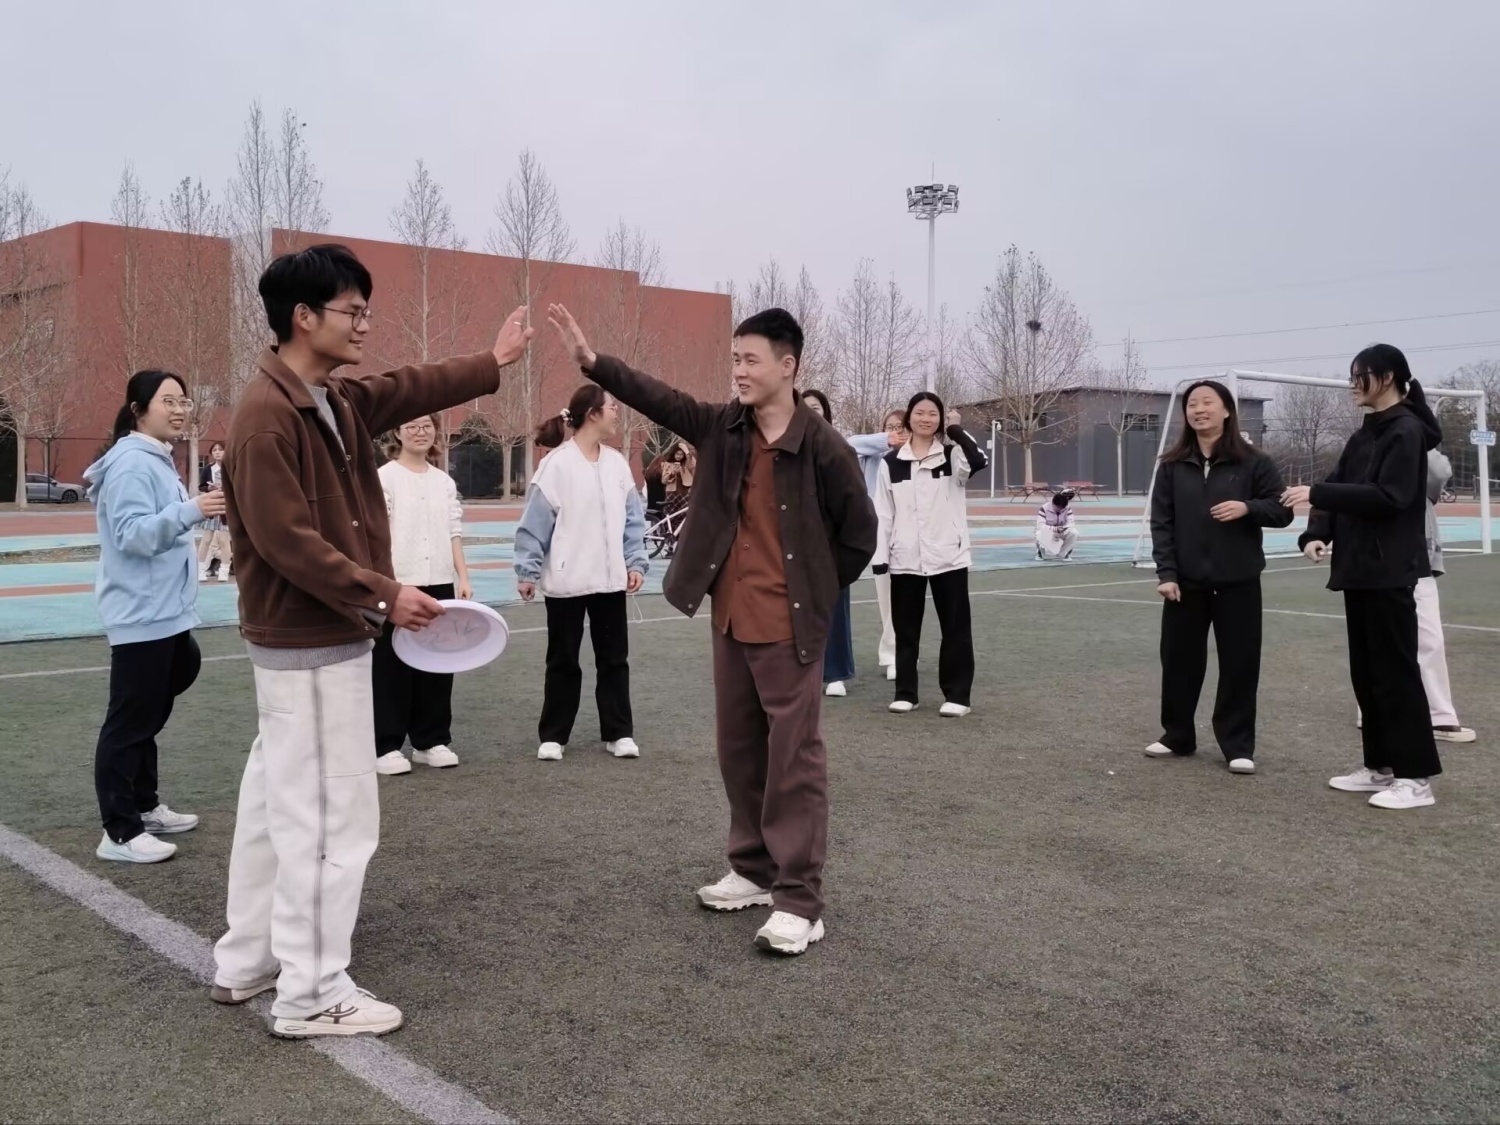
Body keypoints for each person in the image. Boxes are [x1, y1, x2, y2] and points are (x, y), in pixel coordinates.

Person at [211, 243, 532, 1037]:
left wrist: (491, 362)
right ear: (303, 317)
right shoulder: (266, 417)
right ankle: (313, 989)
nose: (363, 324)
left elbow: (408, 386)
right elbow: (287, 542)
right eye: (352, 311)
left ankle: (250, 957)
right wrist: (386, 595)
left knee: (275, 804)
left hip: (309, 643)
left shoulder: (332, 398)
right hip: (310, 644)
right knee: (331, 818)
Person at [547, 302, 876, 956]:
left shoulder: (823, 446)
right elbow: (660, 398)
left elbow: (859, 535)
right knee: (739, 749)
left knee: (794, 760)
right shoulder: (723, 426)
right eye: (735, 359)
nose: (739, 371)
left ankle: (800, 900)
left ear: (789, 365)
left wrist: (810, 590)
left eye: (751, 359)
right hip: (731, 617)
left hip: (789, 626)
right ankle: (752, 868)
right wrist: (594, 363)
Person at [1287, 344, 1444, 810]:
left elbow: (1390, 496)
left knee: (1396, 674)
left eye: (1361, 376)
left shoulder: (1406, 431)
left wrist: (1317, 493)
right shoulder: (1365, 434)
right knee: (1368, 673)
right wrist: (1315, 533)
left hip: (1390, 570)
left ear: (1389, 377)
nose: (1354, 385)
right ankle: (1381, 766)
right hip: (1358, 570)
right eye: (1352, 376)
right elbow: (1340, 483)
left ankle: (1416, 778)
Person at [85, 370, 225, 864]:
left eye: (184, 400)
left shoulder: (156, 458)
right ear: (138, 409)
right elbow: (130, 535)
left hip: (167, 613)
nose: (180, 409)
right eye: (169, 401)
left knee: (151, 709)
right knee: (129, 723)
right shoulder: (131, 463)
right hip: (141, 614)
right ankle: (119, 832)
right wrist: (191, 510)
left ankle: (143, 806)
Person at [1146, 380, 1293, 774]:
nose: (1199, 410)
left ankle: (1237, 745)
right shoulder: (1172, 464)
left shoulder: (1255, 462)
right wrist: (1167, 573)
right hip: (1185, 584)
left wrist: (1248, 508)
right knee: (1179, 661)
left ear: (1227, 410)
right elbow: (1162, 522)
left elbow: (1282, 512)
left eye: (1207, 402)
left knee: (1240, 664)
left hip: (1238, 582)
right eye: (1192, 404)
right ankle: (1177, 735)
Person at [514, 386, 648, 762]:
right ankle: (553, 736)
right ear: (592, 414)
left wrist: (635, 562)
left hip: (610, 582)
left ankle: (619, 733)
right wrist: (527, 571)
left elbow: (633, 522)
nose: (617, 412)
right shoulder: (556, 465)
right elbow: (534, 523)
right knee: (562, 661)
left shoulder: (617, 464)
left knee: (614, 660)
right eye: (611, 406)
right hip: (566, 582)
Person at [873, 395, 987, 718]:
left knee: (955, 629)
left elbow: (979, 460)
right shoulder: (891, 462)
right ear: (909, 418)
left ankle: (957, 696)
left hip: (949, 556)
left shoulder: (952, 455)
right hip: (905, 558)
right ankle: (905, 693)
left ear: (940, 420)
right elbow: (883, 512)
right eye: (920, 413)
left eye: (933, 414)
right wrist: (881, 556)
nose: (926, 418)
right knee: (905, 631)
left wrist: (956, 430)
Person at [370, 414, 471, 777]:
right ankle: (386, 745)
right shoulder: (384, 478)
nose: (420, 431)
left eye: (427, 425)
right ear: (397, 432)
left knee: (438, 663)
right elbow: (376, 534)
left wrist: (462, 576)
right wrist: (385, 582)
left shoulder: (444, 482)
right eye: (411, 425)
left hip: (439, 581)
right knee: (390, 666)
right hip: (398, 584)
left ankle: (431, 741)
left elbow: (453, 530)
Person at [1354, 448, 1476, 743]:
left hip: (1402, 555)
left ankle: (1387, 711)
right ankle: (1431, 715)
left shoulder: (1399, 449)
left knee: (1406, 638)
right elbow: (1437, 470)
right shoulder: (1377, 447)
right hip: (1393, 555)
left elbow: (1437, 473)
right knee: (1412, 637)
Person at [801, 388, 857, 699]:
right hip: (793, 543)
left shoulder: (838, 449)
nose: (811, 412)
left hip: (830, 545)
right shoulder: (783, 447)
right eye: (805, 406)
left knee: (835, 610)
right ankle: (800, 670)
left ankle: (835, 674)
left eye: (816, 407)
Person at [846, 408, 908, 682]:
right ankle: (894, 654)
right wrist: (886, 440)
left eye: (900, 427)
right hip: (878, 532)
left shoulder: (914, 456)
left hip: (908, 531)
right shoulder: (873, 454)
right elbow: (850, 443)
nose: (895, 432)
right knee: (886, 593)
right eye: (890, 427)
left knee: (903, 597)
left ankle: (900, 652)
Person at [198, 442, 233, 582]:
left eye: (220, 449)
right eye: (214, 450)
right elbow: (202, 486)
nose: (217, 452)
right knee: (206, 539)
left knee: (224, 540)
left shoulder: (231, 468)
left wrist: (225, 487)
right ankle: (200, 569)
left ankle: (224, 570)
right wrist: (209, 488)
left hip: (225, 506)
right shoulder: (208, 469)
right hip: (212, 505)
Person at [1035, 488, 1079, 561]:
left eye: (1062, 508)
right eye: (1058, 508)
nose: (1060, 510)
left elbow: (1071, 523)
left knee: (1074, 533)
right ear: (1053, 504)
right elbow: (1040, 526)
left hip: (1062, 532)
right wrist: (1055, 529)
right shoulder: (1044, 508)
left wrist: (1063, 530)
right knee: (1039, 533)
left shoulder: (1067, 508)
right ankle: (1040, 554)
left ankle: (1063, 554)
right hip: (1048, 532)